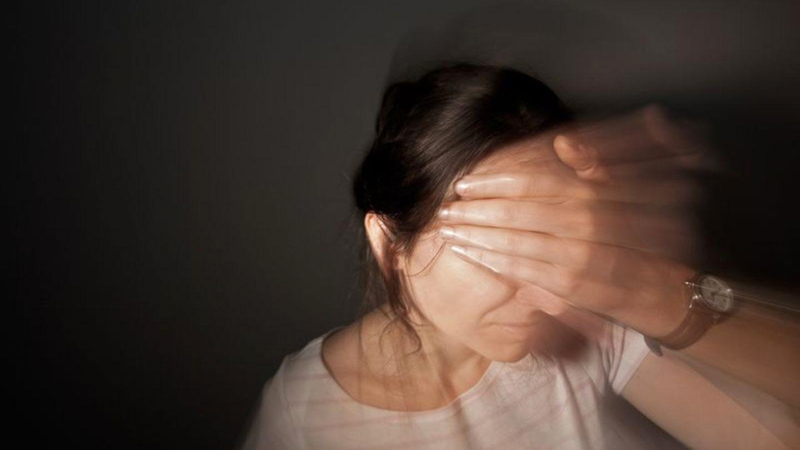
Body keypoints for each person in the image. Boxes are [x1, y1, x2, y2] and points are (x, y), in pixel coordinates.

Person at [241, 63, 799, 449]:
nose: (553, 297)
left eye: (549, 243)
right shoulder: (304, 419)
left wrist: (651, 288)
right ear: (390, 245)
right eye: (503, 246)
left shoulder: (585, 325)